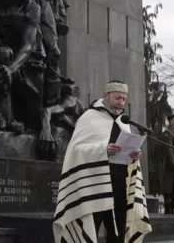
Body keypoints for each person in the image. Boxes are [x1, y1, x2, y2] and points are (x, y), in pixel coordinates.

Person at [53, 81, 152, 243]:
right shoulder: (89, 117)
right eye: (117, 98)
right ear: (106, 96)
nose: (121, 102)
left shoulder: (123, 122)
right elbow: (75, 150)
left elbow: (125, 152)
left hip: (119, 184)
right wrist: (102, 149)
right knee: (90, 229)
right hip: (93, 186)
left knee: (118, 230)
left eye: (124, 99)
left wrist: (134, 156)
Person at [159, 114, 174, 215]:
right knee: (168, 188)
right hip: (170, 165)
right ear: (170, 121)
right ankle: (168, 210)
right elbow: (169, 150)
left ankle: (172, 209)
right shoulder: (167, 133)